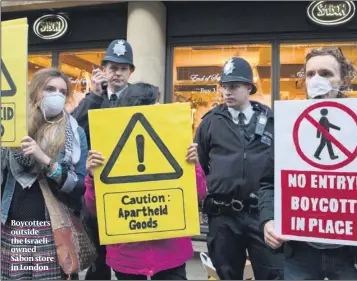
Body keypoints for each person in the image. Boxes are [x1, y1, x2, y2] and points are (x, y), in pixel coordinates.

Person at [258, 47, 357, 280]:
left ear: (343, 80)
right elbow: (268, 183)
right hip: (301, 252)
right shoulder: (287, 124)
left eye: (326, 74)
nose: (317, 80)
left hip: (350, 255)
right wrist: (268, 220)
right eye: (310, 74)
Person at [84, 82, 207, 280]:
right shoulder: (108, 147)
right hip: (127, 255)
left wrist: (193, 166)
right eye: (155, 104)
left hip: (170, 251)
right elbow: (94, 208)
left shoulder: (176, 143)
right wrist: (92, 176)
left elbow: (198, 194)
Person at [195, 57, 284, 280]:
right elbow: (201, 164)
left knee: (273, 273)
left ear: (249, 88)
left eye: (233, 87)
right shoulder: (210, 122)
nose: (227, 92)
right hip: (223, 216)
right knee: (225, 274)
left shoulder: (271, 120)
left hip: (261, 214)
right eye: (224, 87)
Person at [1, 68, 88, 280]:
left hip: (52, 230)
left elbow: (79, 186)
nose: (56, 95)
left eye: (61, 91)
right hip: (13, 226)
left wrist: (46, 160)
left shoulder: (74, 132)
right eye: (49, 89)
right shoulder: (12, 126)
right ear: (35, 90)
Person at [71, 39, 135, 280]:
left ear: (130, 72)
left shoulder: (139, 97)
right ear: (103, 70)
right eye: (112, 67)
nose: (116, 73)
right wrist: (95, 96)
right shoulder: (93, 98)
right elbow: (74, 130)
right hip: (96, 190)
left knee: (128, 262)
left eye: (122, 68)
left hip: (126, 190)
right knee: (97, 263)